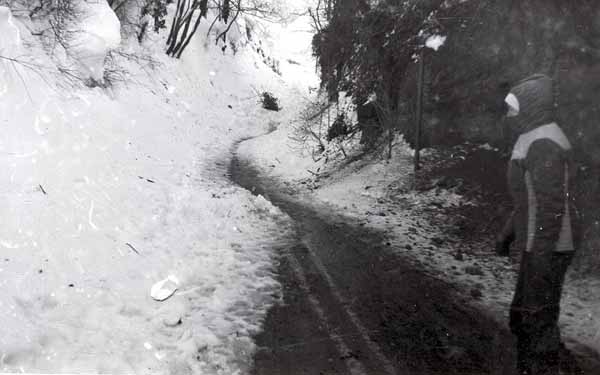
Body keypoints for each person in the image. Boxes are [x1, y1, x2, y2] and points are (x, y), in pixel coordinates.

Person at [495, 73, 581, 375]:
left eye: (513, 108)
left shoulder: (544, 141)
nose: (509, 115)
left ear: (529, 107)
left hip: (551, 244)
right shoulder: (532, 137)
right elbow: (527, 200)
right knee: (525, 318)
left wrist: (541, 257)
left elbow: (551, 206)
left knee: (535, 321)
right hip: (539, 242)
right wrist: (509, 234)